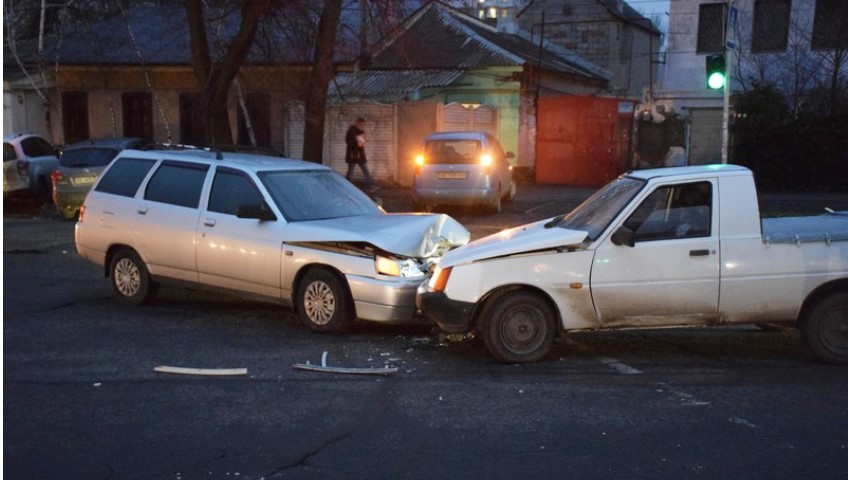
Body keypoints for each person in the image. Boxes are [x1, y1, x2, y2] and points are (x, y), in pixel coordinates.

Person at [345, 117, 378, 192]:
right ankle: (346, 187)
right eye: (361, 124)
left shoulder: (361, 131)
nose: (362, 126)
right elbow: (348, 141)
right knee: (350, 172)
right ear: (358, 123)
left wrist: (362, 141)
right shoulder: (352, 130)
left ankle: (369, 186)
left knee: (365, 171)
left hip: (359, 155)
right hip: (353, 155)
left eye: (363, 124)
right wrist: (357, 142)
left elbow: (361, 143)